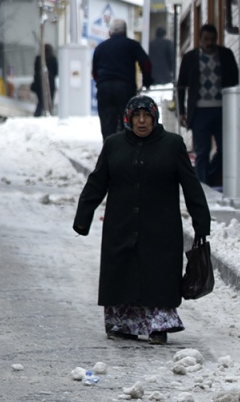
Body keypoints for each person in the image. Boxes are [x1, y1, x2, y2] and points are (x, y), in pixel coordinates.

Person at [72, 94, 211, 344]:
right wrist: (83, 216)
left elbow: (191, 185)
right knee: (121, 274)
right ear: (129, 118)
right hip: (120, 225)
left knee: (157, 275)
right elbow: (97, 182)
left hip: (161, 229)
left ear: (155, 118)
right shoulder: (114, 145)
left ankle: (158, 326)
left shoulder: (172, 144)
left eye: (147, 116)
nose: (142, 121)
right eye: (137, 116)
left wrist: (201, 220)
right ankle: (121, 324)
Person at [176, 24, 239, 187]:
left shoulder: (226, 55)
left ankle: (210, 176)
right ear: (200, 40)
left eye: (212, 39)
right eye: (206, 39)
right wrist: (181, 111)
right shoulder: (190, 58)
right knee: (202, 151)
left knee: (226, 149)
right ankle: (202, 186)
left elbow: (235, 81)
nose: (209, 43)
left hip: (222, 109)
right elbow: (181, 86)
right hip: (199, 111)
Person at [91, 18, 153, 139]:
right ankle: (126, 148)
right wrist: (147, 81)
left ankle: (109, 147)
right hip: (125, 87)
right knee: (127, 119)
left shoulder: (100, 47)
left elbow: (94, 72)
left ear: (110, 32)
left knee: (107, 121)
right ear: (125, 32)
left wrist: (101, 82)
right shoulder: (132, 45)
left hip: (105, 88)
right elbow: (146, 64)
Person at [32, 43, 58, 117]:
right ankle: (48, 113)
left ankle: (38, 113)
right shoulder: (53, 59)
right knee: (49, 100)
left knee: (41, 100)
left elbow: (35, 70)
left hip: (38, 83)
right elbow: (56, 72)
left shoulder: (38, 58)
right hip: (50, 84)